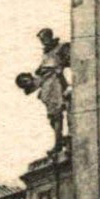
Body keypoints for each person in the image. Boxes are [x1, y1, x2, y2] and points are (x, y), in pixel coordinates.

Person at [17, 28, 71, 157]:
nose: (42, 42)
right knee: (53, 117)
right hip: (48, 87)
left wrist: (60, 68)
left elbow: (70, 61)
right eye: (41, 40)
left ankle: (60, 142)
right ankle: (59, 139)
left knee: (57, 114)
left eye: (44, 39)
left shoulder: (61, 47)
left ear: (50, 36)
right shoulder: (46, 53)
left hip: (55, 83)